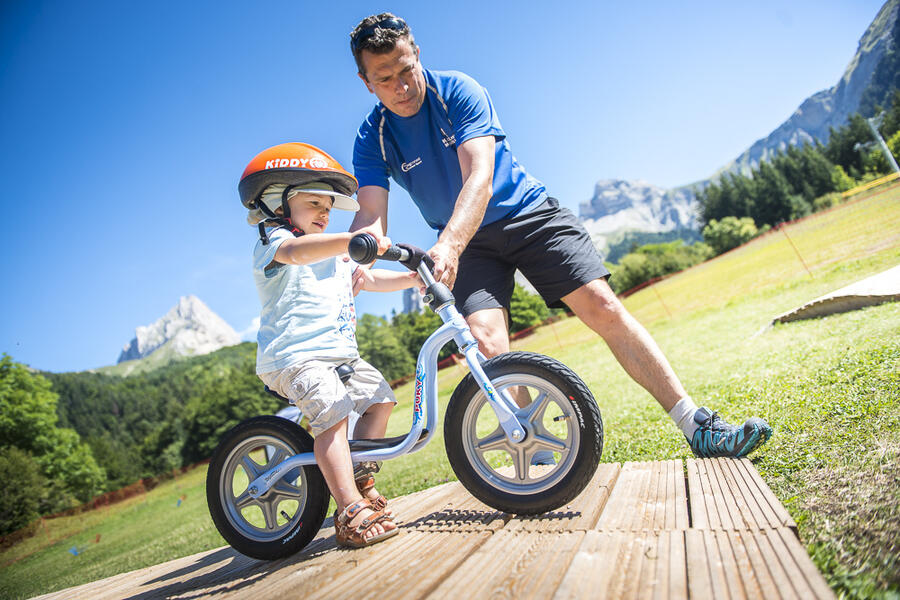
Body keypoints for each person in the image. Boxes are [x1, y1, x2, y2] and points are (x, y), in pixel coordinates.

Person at [347, 14, 772, 459]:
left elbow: (479, 178)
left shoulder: (457, 91)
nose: (402, 85)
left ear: (417, 54)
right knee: (487, 342)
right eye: (385, 78)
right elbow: (372, 214)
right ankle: (541, 458)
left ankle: (695, 425)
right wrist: (356, 258)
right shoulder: (371, 137)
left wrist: (449, 245)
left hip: (526, 214)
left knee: (601, 305)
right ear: (366, 82)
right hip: (468, 245)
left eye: (406, 68)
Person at [239, 142, 419, 547]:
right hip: (295, 357)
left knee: (381, 400)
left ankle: (359, 475)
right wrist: (350, 238)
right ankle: (349, 509)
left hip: (340, 356)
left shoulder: (337, 253)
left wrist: (412, 278)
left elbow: (368, 280)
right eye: (313, 203)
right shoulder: (275, 243)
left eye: (328, 206)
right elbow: (296, 254)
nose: (324, 212)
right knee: (333, 412)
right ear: (277, 205)